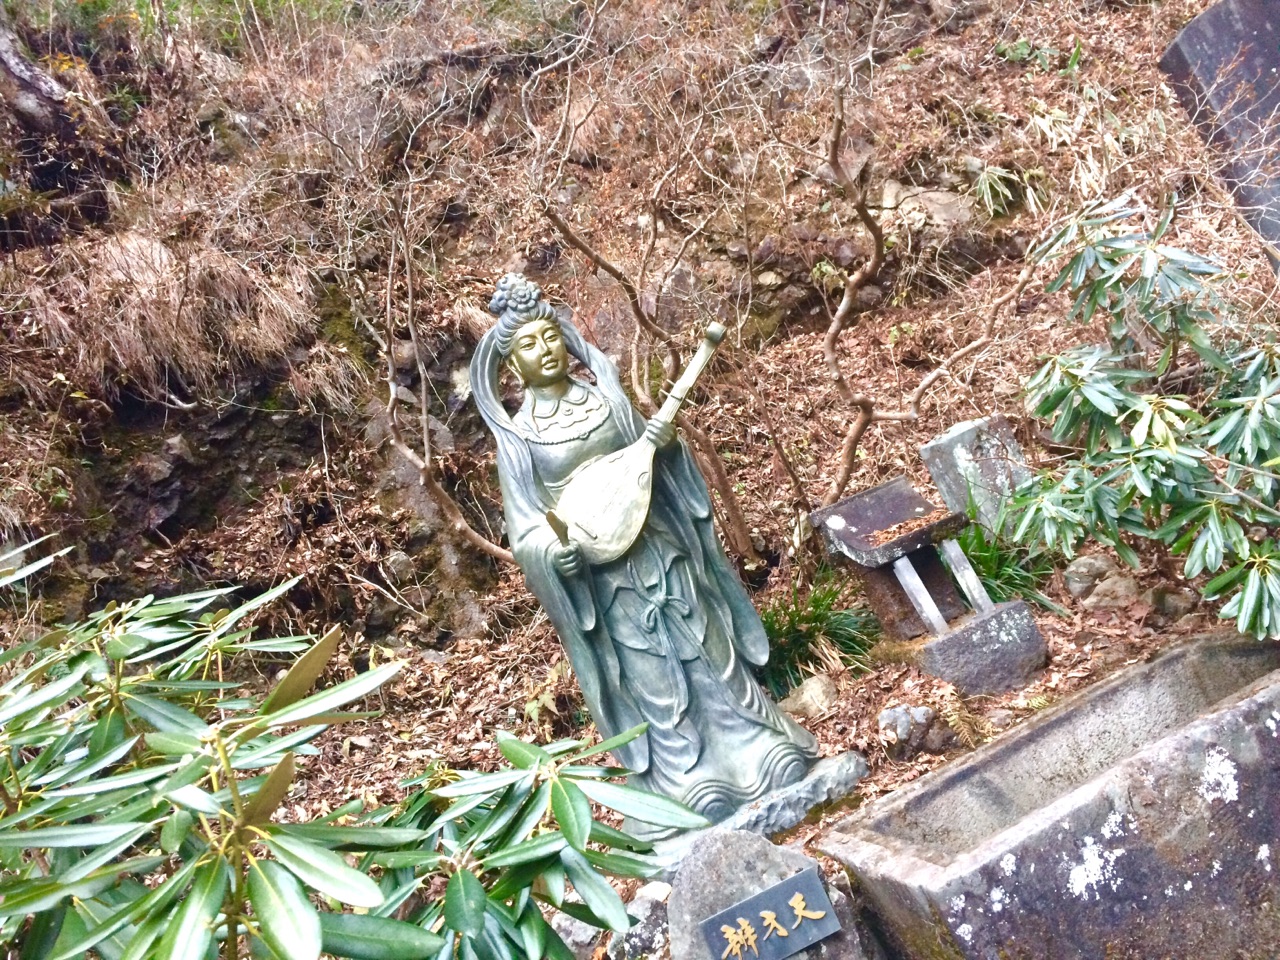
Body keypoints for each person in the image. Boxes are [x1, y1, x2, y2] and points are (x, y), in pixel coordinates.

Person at [471, 273, 816, 829]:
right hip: (608, 582)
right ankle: (684, 778)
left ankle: (758, 742)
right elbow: (528, 527)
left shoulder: (606, 399)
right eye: (529, 345)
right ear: (512, 365)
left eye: (551, 336)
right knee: (655, 676)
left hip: (659, 546)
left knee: (706, 646)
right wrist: (552, 556)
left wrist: (666, 447)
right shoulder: (518, 442)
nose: (545, 350)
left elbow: (654, 461)